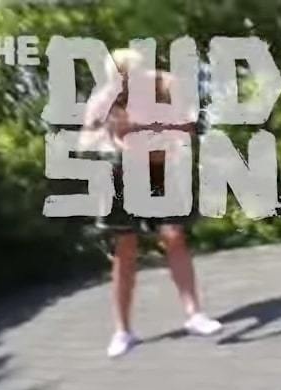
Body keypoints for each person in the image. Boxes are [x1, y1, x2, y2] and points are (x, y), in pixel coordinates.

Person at [82, 47, 224, 358]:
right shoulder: (102, 100)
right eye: (121, 79)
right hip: (120, 176)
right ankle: (123, 331)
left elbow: (188, 128)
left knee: (174, 236)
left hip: (160, 169)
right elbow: (87, 142)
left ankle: (194, 315)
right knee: (125, 247)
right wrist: (110, 138)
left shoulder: (163, 88)